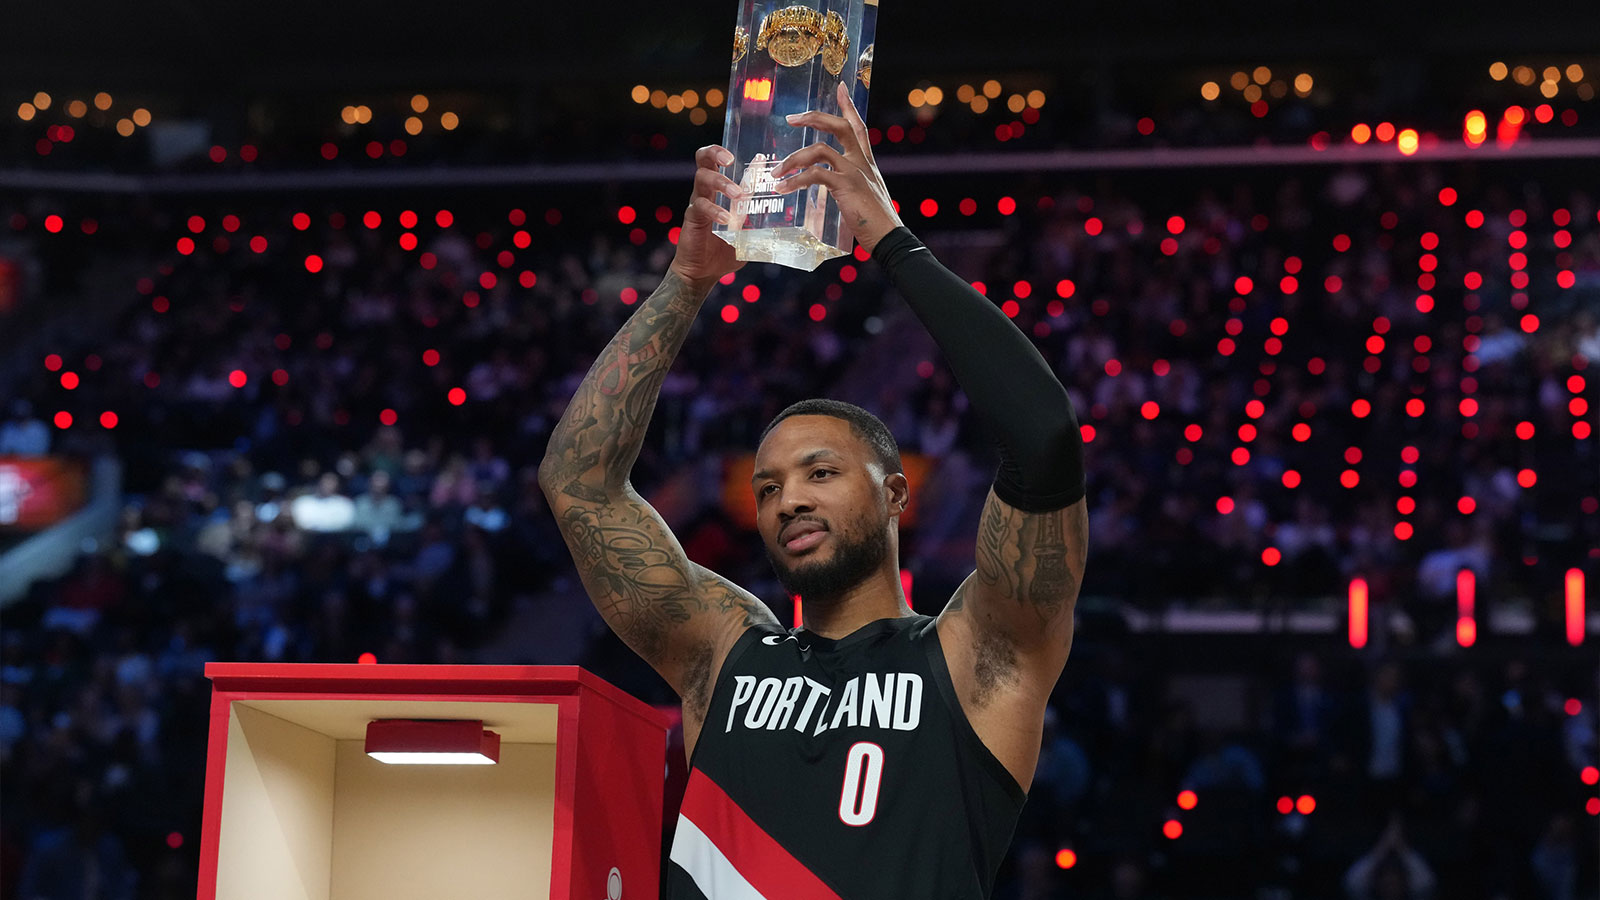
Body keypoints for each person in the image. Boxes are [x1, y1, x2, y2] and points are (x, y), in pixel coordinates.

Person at [539, 82, 1087, 899]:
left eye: (820, 473)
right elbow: (578, 486)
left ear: (897, 495)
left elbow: (1042, 438)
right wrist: (685, 282)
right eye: (766, 487)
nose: (788, 498)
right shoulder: (723, 651)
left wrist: (893, 240)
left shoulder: (977, 657)